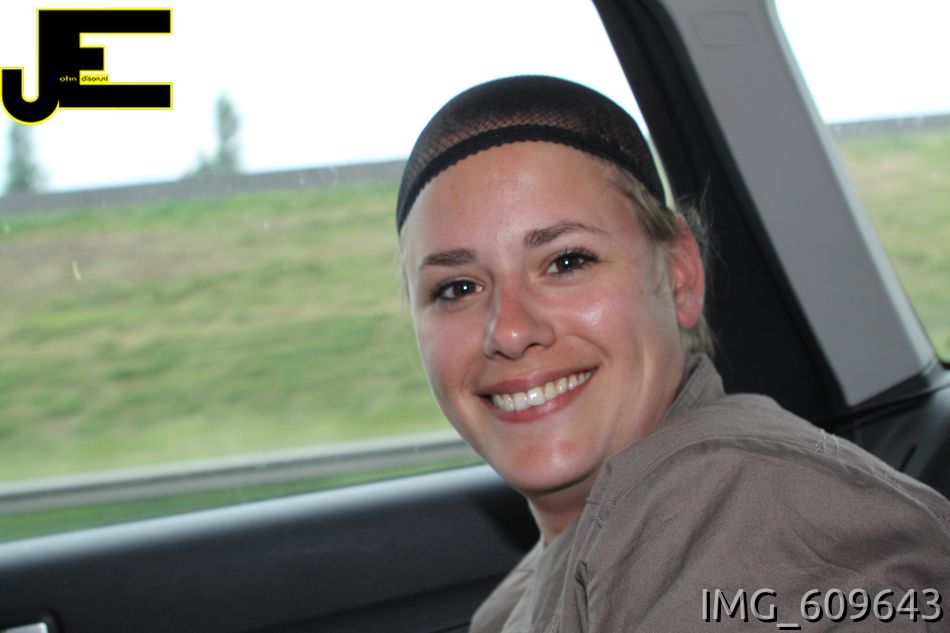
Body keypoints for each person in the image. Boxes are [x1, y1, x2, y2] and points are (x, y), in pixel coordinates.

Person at [395, 76, 950, 632]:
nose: (511, 332)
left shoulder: (754, 520)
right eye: (457, 288)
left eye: (567, 262)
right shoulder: (556, 565)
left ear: (680, 273)